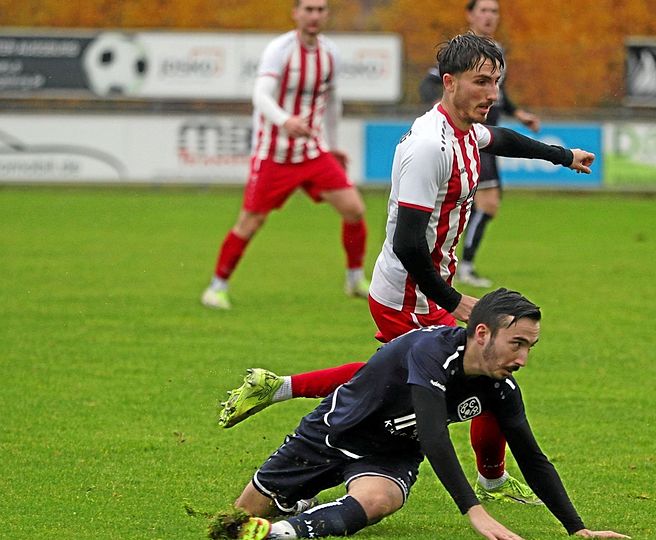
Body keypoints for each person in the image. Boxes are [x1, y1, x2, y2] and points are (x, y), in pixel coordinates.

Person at [217, 33, 596, 505]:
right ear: (449, 82)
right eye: (481, 82)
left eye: (496, 82)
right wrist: (455, 301)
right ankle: (482, 481)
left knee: (434, 375)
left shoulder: (466, 131)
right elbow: (407, 242)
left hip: (424, 287)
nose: (492, 94)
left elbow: (500, 138)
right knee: (465, 375)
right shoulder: (428, 147)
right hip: (406, 294)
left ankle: (280, 389)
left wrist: (562, 156)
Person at [208, 289, 630, 540]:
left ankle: (284, 533)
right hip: (333, 434)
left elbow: (532, 458)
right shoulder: (432, 351)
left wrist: (577, 528)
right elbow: (433, 434)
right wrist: (474, 510)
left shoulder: (500, 387)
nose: (522, 359)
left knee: (381, 499)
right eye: (516, 343)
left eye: (529, 347)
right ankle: (297, 500)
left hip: (390, 455)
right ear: (482, 333)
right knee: (237, 517)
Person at [201, 0, 370, 310]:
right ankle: (216, 287)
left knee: (354, 209)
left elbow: (332, 102)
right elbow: (260, 95)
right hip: (274, 154)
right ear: (296, 13)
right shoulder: (279, 50)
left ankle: (354, 279)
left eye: (320, 10)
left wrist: (333, 144)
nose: (314, 15)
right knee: (250, 222)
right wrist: (284, 120)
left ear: (326, 14)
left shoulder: (330, 53)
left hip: (312, 152)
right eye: (308, 9)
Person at [419, 0, 541, 287]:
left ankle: (452, 262)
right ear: (470, 15)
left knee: (480, 203)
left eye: (494, 11)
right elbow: (430, 83)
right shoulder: (462, 51)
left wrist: (519, 114)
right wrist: (441, 108)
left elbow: (500, 94)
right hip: (469, 135)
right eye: (483, 10)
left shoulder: (496, 51)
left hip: (488, 137)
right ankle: (461, 266)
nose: (489, 16)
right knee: (486, 202)